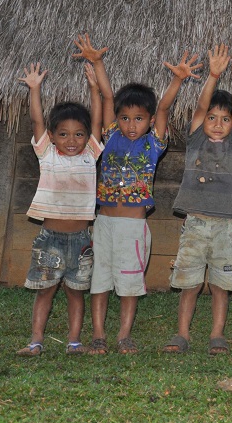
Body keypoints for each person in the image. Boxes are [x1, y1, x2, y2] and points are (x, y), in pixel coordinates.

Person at [72, 33, 202, 354]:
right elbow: (106, 92)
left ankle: (124, 336)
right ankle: (99, 336)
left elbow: (165, 106)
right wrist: (98, 61)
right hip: (103, 224)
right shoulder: (110, 135)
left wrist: (177, 79)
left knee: (129, 285)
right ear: (117, 118)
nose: (132, 125)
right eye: (126, 118)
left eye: (139, 119)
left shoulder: (153, 144)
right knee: (100, 283)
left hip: (132, 227)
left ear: (149, 121)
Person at [162, 44, 232, 355]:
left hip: (225, 225)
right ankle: (181, 334)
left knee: (221, 285)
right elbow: (199, 107)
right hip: (195, 222)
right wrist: (213, 75)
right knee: (190, 283)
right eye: (212, 117)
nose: (218, 123)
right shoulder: (196, 138)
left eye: (224, 119)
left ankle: (217, 335)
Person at [16, 61, 104, 356]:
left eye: (78, 134)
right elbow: (37, 121)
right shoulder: (47, 155)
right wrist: (35, 89)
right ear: (52, 136)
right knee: (45, 292)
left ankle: (74, 342)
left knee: (75, 294)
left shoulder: (90, 156)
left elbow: (97, 122)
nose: (71, 140)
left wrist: (94, 89)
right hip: (49, 239)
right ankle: (35, 341)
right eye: (63, 134)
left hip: (81, 242)